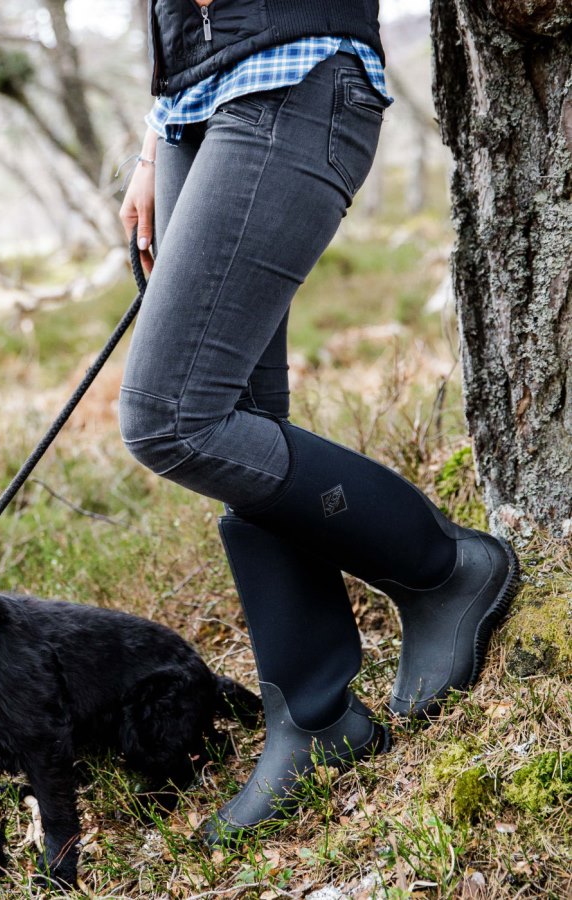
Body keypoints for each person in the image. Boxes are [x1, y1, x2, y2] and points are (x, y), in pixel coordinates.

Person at [118, 0, 519, 846]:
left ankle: (443, 570)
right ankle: (316, 713)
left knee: (172, 420)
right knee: (237, 418)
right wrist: (157, 135)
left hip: (295, 74)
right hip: (197, 101)